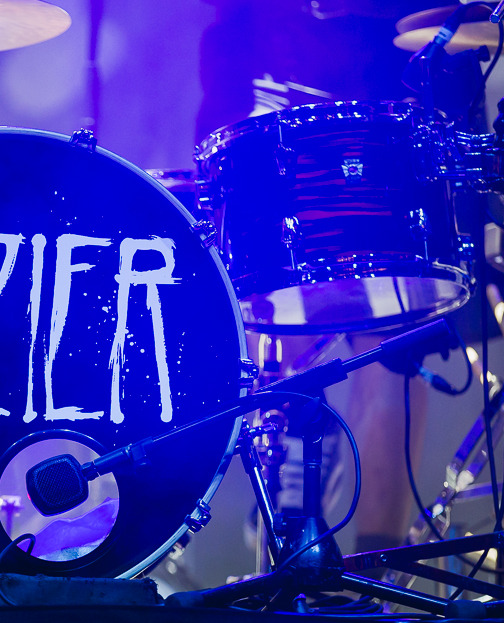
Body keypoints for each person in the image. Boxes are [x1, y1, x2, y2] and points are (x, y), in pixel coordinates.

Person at [196, 0, 482, 561]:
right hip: (271, 125)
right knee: (271, 303)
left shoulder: (394, 29)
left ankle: (377, 572)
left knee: (395, 341)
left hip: (382, 162)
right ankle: (295, 497)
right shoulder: (242, 31)